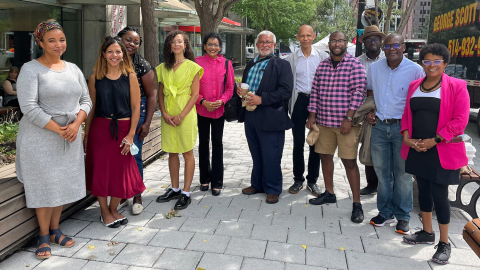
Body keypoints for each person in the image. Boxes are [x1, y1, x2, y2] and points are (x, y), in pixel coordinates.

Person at [16, 19, 92, 259]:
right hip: (40, 137)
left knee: (60, 181)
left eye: (62, 39)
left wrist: (77, 123)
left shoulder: (73, 68)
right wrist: (60, 130)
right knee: (44, 183)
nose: (59, 44)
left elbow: (86, 101)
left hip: (69, 136)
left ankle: (56, 230)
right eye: (52, 40)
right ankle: (42, 234)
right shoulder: (31, 69)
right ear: (40, 42)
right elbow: (29, 107)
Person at [401, 44, 470, 264]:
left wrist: (435, 140)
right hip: (418, 147)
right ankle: (426, 233)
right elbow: (406, 114)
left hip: (442, 148)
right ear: (422, 63)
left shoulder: (457, 86)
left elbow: (460, 120)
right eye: (427, 61)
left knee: (440, 195)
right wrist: (406, 137)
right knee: (423, 190)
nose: (431, 65)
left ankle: (444, 243)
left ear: (445, 63)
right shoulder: (414, 85)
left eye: (437, 61)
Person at [367, 34, 425, 234]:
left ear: (404, 47)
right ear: (383, 49)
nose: (392, 49)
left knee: (403, 174)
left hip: (404, 129)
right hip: (380, 127)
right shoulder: (374, 68)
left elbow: (420, 100)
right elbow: (369, 93)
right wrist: (369, 111)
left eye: (396, 45)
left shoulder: (416, 70)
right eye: (388, 46)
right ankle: (385, 213)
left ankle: (403, 216)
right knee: (382, 173)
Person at [306, 31, 366, 223]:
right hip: (323, 122)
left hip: (346, 124)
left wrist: (349, 118)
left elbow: (359, 92)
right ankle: (329, 192)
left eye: (340, 40)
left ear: (346, 43)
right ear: (329, 44)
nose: (337, 43)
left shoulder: (354, 64)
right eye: (334, 41)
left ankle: (357, 204)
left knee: (349, 162)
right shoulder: (322, 65)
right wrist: (312, 116)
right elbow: (314, 91)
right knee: (325, 157)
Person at [85, 36, 144, 228]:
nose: (114, 55)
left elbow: (136, 108)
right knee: (101, 172)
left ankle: (114, 208)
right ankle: (104, 211)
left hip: (124, 130)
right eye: (110, 51)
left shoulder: (130, 76)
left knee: (121, 172)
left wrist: (131, 135)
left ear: (123, 54)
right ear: (103, 54)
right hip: (100, 130)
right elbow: (91, 107)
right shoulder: (95, 77)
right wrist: (86, 134)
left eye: (118, 51)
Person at [238, 30, 293, 204]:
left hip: (271, 117)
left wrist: (262, 99)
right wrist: (239, 91)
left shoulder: (281, 65)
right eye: (261, 42)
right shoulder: (250, 64)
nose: (264, 45)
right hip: (251, 114)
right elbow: (247, 86)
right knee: (256, 153)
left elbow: (285, 91)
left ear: (274, 46)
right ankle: (257, 184)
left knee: (271, 154)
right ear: (257, 45)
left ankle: (273, 188)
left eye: (268, 42)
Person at [155, 30, 203, 210]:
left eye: (180, 41)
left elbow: (196, 94)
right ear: (169, 45)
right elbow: (160, 93)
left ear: (185, 45)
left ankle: (186, 192)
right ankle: (174, 188)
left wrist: (181, 116)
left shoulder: (192, 67)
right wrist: (164, 114)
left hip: (186, 114)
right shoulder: (162, 68)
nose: (176, 44)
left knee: (187, 152)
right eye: (173, 42)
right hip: (168, 114)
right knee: (171, 152)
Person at [117, 26, 157, 214]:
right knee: (118, 155)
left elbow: (151, 95)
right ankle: (122, 194)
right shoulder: (111, 60)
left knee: (134, 155)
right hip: (115, 112)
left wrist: (147, 122)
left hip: (137, 112)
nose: (132, 44)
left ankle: (137, 195)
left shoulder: (142, 65)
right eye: (128, 40)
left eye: (136, 42)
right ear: (119, 39)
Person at [286, 25, 329, 196]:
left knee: (315, 142)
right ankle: (298, 179)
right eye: (302, 35)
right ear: (297, 37)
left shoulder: (322, 57)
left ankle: (313, 180)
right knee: (297, 142)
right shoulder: (290, 59)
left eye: (308, 35)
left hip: (318, 101)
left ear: (314, 36)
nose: (305, 38)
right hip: (299, 101)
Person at [195, 32, 234, 196]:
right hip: (202, 109)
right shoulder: (196, 63)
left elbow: (230, 87)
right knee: (203, 143)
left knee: (217, 144)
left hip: (219, 110)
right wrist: (203, 101)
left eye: (216, 44)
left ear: (220, 47)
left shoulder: (226, 64)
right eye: (210, 44)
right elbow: (191, 89)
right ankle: (204, 179)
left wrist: (222, 101)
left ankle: (217, 182)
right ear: (204, 46)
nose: (213, 47)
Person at [356, 25, 386, 196]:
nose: (372, 41)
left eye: (375, 38)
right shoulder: (358, 61)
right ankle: (371, 184)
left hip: (387, 106)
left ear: (380, 41)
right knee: (369, 146)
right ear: (364, 42)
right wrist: (366, 111)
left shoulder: (389, 59)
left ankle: (387, 185)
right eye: (368, 39)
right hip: (366, 107)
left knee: (386, 151)